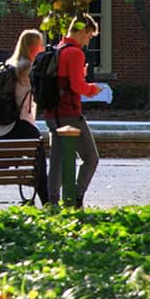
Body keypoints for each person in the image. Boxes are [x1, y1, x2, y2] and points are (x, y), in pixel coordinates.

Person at [0, 29, 45, 207]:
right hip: (22, 125)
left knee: (0, 166)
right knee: (39, 167)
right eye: (40, 44)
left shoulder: (11, 65)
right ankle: (47, 204)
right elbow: (40, 94)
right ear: (33, 46)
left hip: (6, 126)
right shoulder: (27, 68)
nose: (43, 47)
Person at [47, 15, 105, 208]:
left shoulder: (59, 49)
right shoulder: (75, 53)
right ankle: (74, 198)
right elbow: (77, 86)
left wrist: (81, 76)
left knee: (57, 160)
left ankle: (52, 202)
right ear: (82, 31)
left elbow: (65, 81)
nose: (89, 40)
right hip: (70, 114)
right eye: (89, 35)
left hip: (52, 114)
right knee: (91, 157)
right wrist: (92, 89)